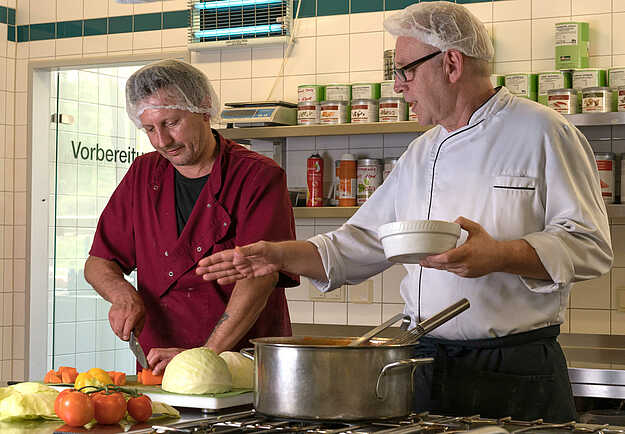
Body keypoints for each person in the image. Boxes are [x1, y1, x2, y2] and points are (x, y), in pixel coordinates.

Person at [196, 1, 613, 423]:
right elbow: (364, 241)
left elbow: (590, 246)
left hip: (514, 368)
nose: (398, 86)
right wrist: (278, 255)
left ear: (451, 63)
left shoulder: (544, 131)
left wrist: (499, 256)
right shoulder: (421, 151)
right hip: (426, 360)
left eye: (405, 71)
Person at [84, 59, 297, 375]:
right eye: (149, 129)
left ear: (204, 109)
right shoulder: (143, 174)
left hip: (238, 364)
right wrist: (122, 295)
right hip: (158, 365)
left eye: (171, 123)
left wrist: (202, 359)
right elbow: (98, 262)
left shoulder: (258, 176)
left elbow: (259, 278)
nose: (162, 141)